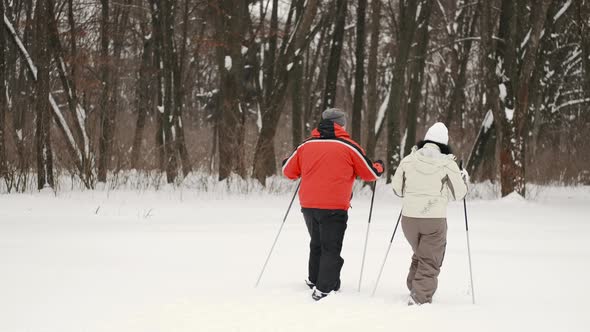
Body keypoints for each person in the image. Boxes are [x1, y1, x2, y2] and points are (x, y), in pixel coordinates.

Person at [282, 108, 384, 301]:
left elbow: (288, 171)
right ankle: (324, 289)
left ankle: (315, 279)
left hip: (309, 205)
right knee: (331, 247)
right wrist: (379, 166)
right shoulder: (348, 146)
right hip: (334, 207)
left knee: (317, 243)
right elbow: (370, 174)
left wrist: (287, 161)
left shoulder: (306, 145)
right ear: (341, 125)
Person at [391, 122, 468, 305]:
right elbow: (459, 194)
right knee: (429, 259)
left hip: (409, 220)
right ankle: (420, 297)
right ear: (444, 142)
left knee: (421, 253)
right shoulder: (448, 163)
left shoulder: (409, 160)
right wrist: (463, 178)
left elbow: (397, 190)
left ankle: (414, 286)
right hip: (433, 220)